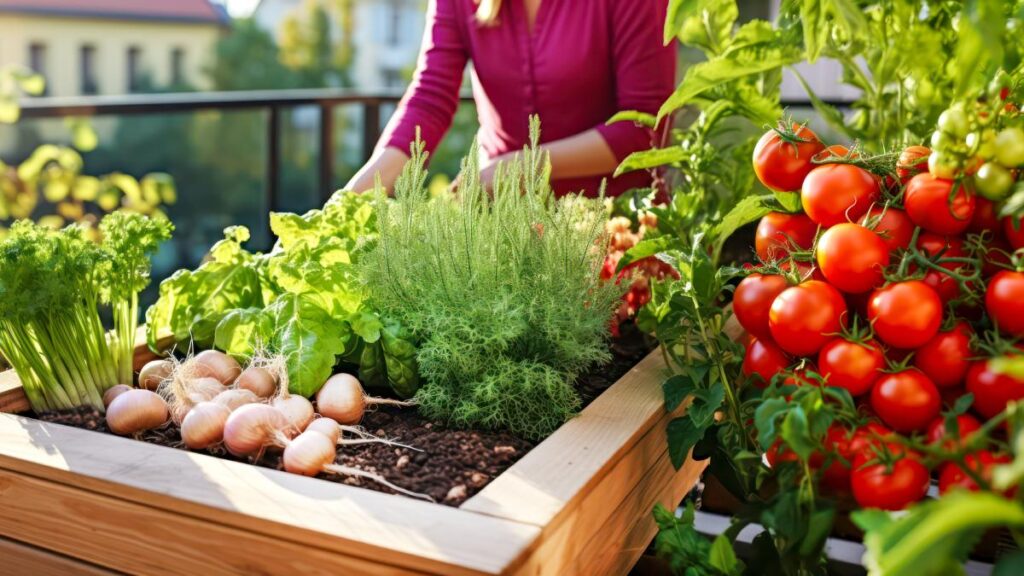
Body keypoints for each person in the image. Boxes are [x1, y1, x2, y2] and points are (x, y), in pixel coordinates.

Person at [345, 0, 676, 197]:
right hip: (502, 228)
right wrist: (355, 198)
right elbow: (429, 100)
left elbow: (644, 129)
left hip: (614, 233)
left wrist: (521, 166)